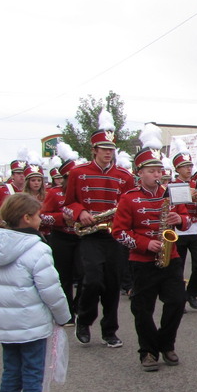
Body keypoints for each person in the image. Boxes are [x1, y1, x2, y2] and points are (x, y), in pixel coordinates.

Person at [0, 193, 71, 392]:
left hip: (4, 323)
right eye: (36, 215)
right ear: (26, 218)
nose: (39, 219)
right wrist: (63, 316)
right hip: (31, 324)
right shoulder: (37, 247)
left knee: (11, 376)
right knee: (33, 375)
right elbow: (51, 289)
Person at [111, 130, 192, 372]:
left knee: (177, 302)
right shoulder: (129, 199)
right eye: (151, 171)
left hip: (171, 257)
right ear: (140, 174)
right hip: (142, 260)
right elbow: (119, 233)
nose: (157, 175)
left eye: (159, 171)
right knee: (142, 309)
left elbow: (188, 219)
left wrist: (180, 219)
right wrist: (146, 244)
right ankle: (147, 350)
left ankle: (166, 343)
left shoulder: (172, 193)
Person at [63, 115, 134, 347]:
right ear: (94, 149)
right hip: (90, 235)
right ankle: (84, 320)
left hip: (114, 237)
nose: (108, 153)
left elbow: (131, 203)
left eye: (111, 149)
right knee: (92, 281)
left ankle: (109, 330)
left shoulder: (124, 176)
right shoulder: (77, 172)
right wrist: (80, 211)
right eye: (103, 148)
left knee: (113, 285)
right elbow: (69, 202)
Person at [40, 145, 82, 324]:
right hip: (62, 238)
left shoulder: (84, 193)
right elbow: (42, 216)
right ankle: (68, 312)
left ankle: (79, 306)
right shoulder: (54, 193)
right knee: (63, 277)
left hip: (82, 237)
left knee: (85, 275)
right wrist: (62, 219)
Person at [170, 146, 197, 311]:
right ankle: (178, 297)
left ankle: (191, 293)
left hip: (196, 229)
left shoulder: (196, 184)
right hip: (179, 230)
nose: (189, 169)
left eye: (190, 166)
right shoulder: (171, 185)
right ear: (177, 169)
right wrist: (187, 194)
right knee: (178, 266)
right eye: (185, 166)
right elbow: (172, 208)